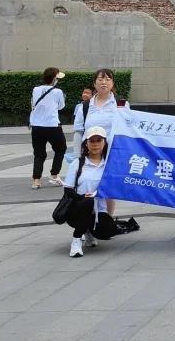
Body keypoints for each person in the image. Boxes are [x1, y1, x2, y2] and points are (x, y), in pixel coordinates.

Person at [74, 68, 127, 216]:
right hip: (90, 153)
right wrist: (77, 156)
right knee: (88, 184)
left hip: (111, 153)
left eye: (108, 79)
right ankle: (88, 218)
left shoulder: (120, 104)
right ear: (94, 83)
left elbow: (127, 129)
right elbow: (78, 131)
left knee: (109, 187)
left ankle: (107, 219)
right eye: (100, 79)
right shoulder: (85, 106)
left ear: (113, 83)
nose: (104, 82)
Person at [63, 125, 111, 258]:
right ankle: (76, 240)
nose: (95, 144)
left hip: (99, 210)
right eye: (92, 141)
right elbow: (68, 190)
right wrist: (82, 197)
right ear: (86, 144)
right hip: (77, 208)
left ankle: (88, 231)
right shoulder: (78, 163)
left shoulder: (109, 165)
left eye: (99, 140)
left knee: (107, 231)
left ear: (105, 143)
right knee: (88, 202)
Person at [29, 67, 67, 189]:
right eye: (57, 78)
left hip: (36, 126)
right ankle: (54, 175)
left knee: (39, 153)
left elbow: (33, 104)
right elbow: (61, 106)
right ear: (54, 78)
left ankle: (36, 180)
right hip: (52, 125)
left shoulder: (36, 89)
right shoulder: (58, 92)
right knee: (61, 149)